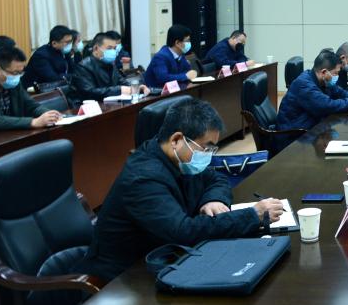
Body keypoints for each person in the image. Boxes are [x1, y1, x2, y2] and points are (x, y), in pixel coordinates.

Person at [76, 99, 285, 283]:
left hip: (164, 256)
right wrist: (252, 216)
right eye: (206, 148)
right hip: (123, 279)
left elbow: (217, 178)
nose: (208, 155)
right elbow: (183, 232)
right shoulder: (143, 178)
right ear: (176, 140)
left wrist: (213, 199)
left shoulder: (178, 158)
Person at [276, 50, 348, 148]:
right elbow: (327, 105)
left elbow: (341, 93)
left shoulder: (324, 80)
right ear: (324, 72)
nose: (337, 77)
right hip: (293, 138)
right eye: (335, 73)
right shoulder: (304, 85)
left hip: (310, 128)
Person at [70, 33, 150, 102]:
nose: (113, 51)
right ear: (96, 48)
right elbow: (90, 92)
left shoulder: (110, 64)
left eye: (114, 48)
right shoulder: (83, 67)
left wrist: (137, 87)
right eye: (109, 48)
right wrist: (119, 90)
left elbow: (122, 82)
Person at [144, 24, 198, 89]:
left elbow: (187, 71)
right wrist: (185, 76)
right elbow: (163, 78)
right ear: (177, 43)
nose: (189, 43)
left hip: (175, 89)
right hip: (158, 92)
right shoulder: (160, 57)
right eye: (187, 41)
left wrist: (189, 76)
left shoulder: (180, 54)